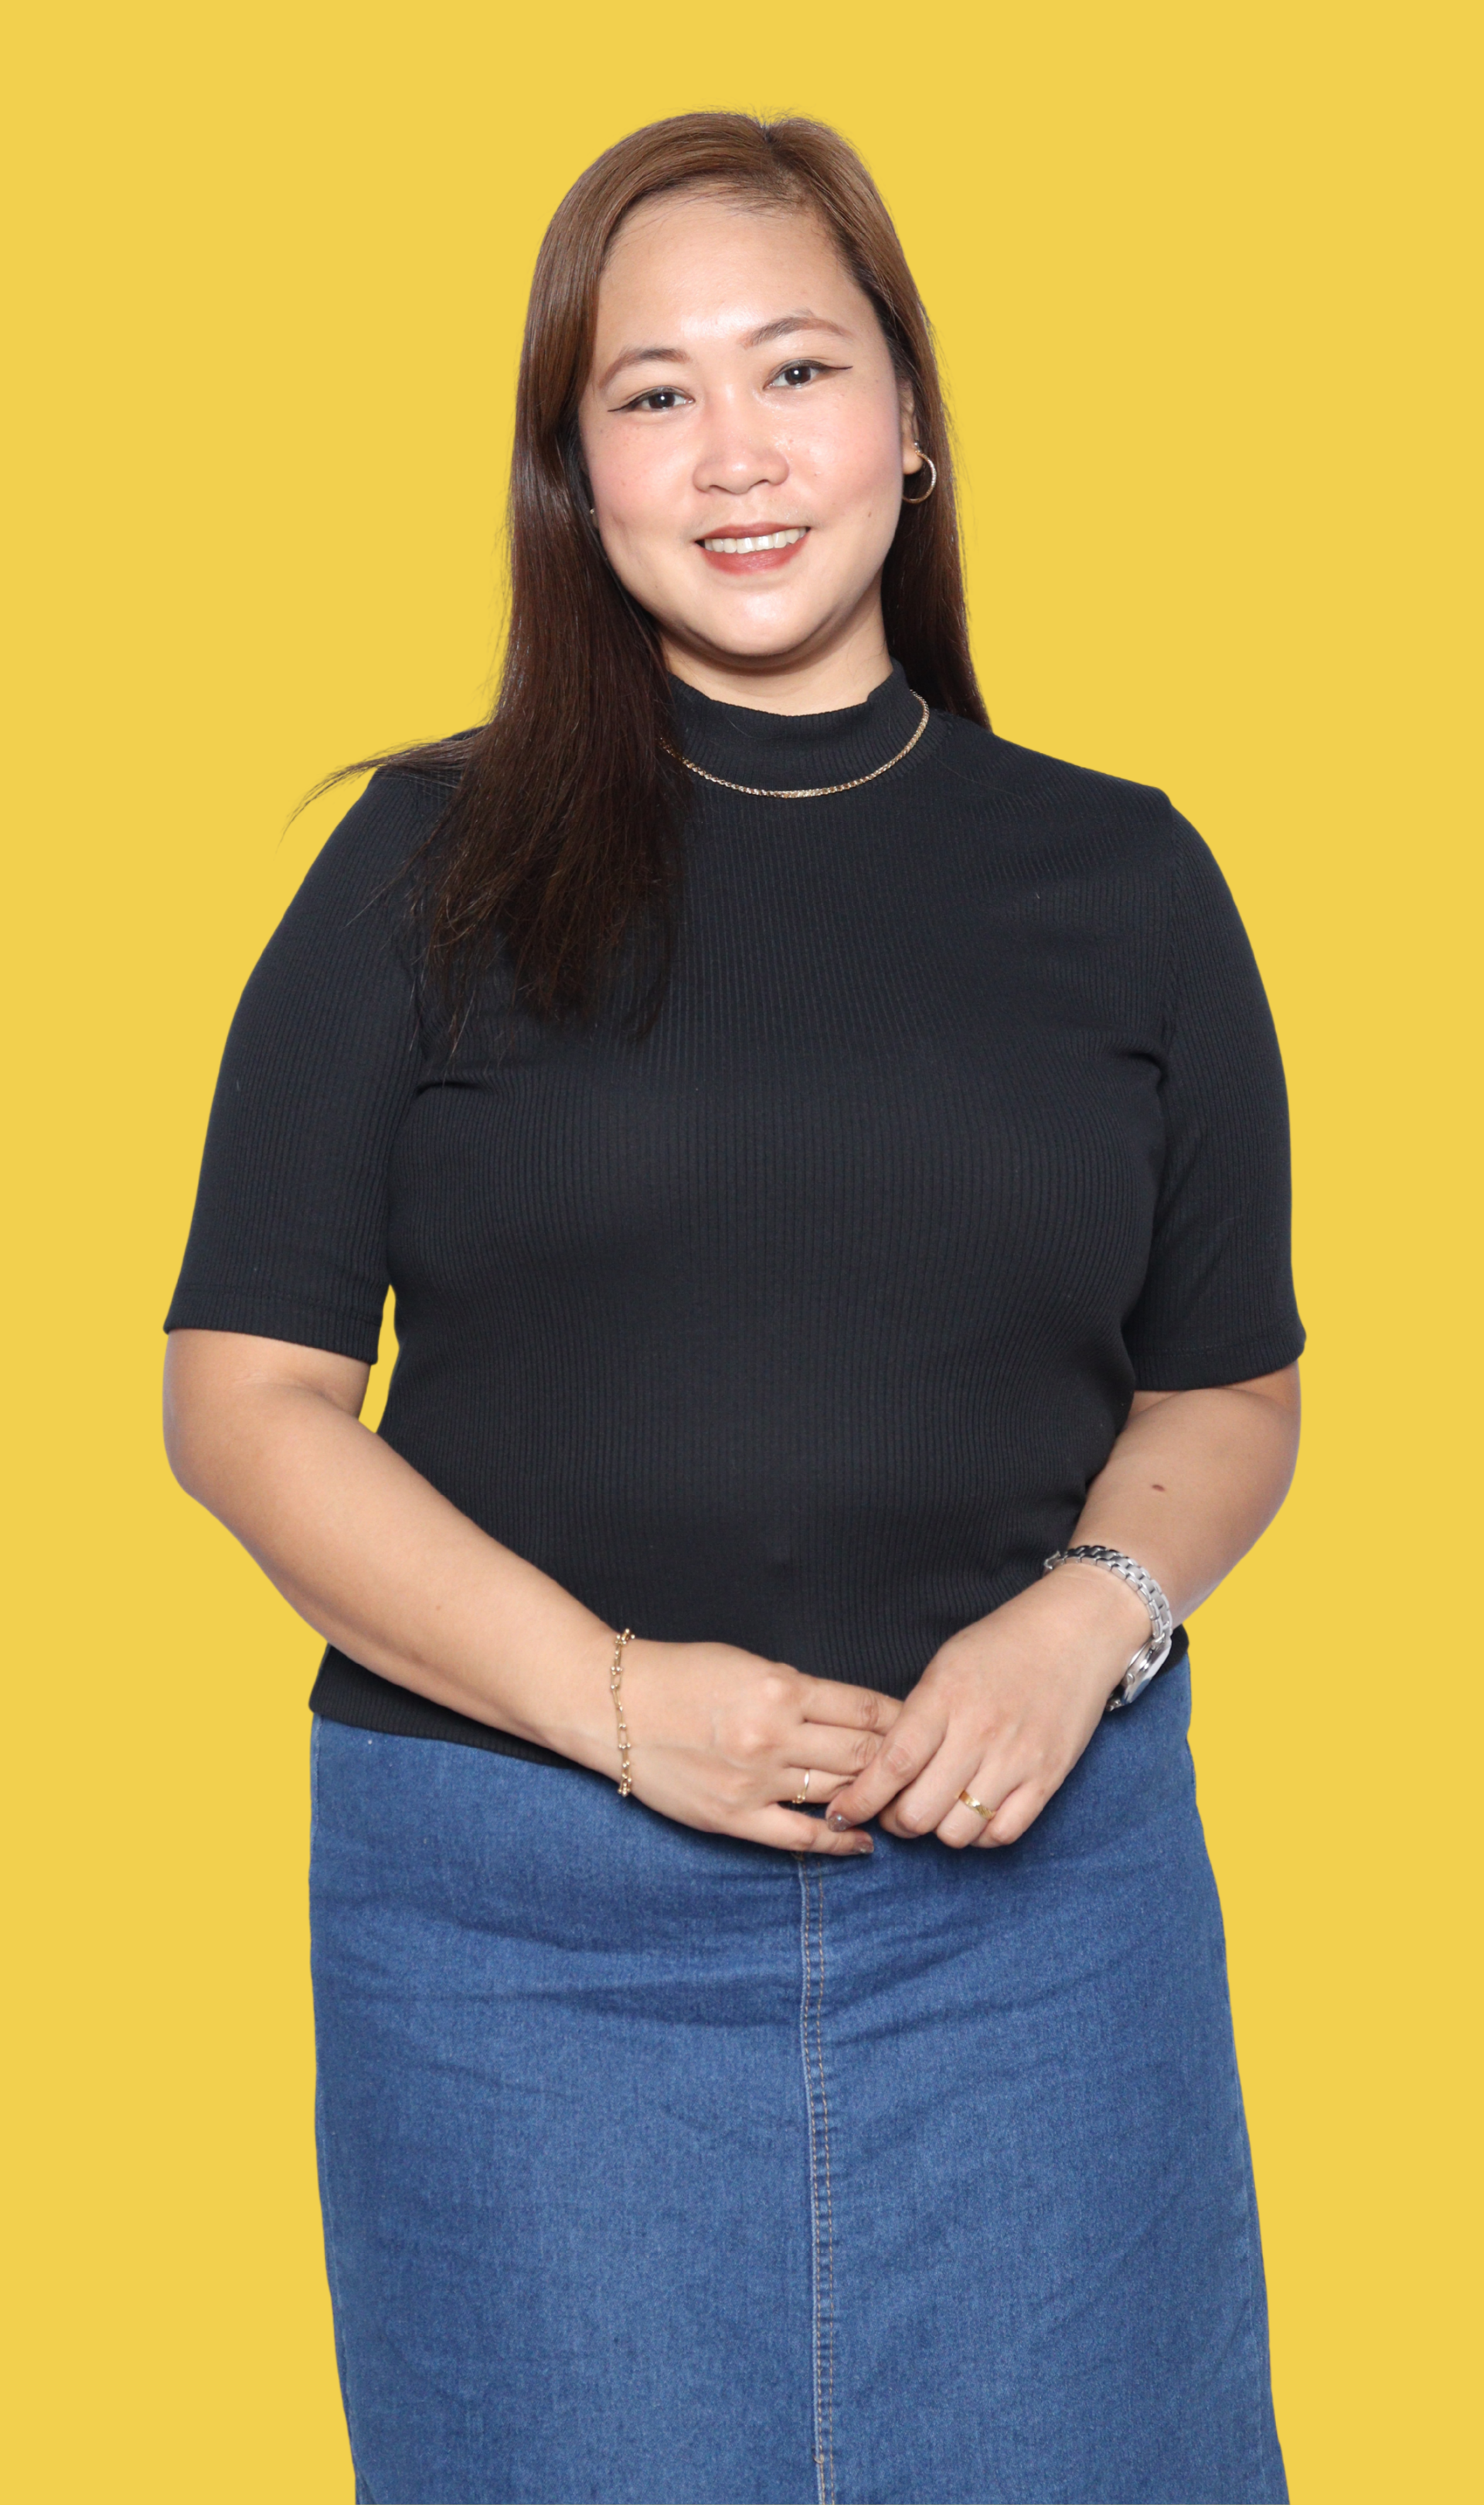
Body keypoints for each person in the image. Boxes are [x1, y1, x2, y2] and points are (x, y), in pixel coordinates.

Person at [164, 111, 1302, 2505]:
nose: (738, 452)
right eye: (652, 394)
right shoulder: (422, 866)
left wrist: (1086, 1622)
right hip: (518, 1929)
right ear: (574, 474)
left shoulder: (1126, 877)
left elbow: (1229, 1389)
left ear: (914, 419)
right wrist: (604, 1700)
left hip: (1039, 1916)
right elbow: (245, 1401)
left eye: (796, 368)